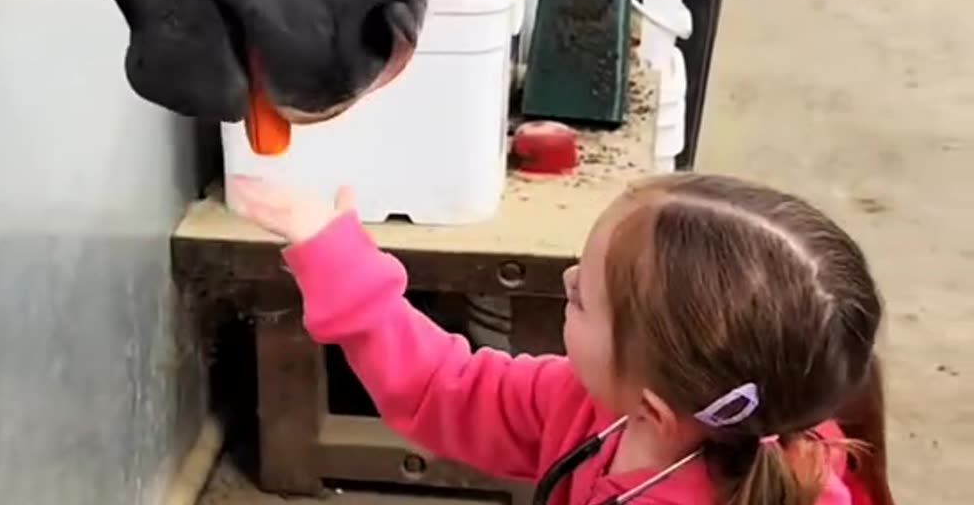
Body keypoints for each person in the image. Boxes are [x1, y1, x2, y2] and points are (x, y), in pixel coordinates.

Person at [227, 172, 894, 505]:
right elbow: (439, 388)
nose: (569, 277)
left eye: (580, 296)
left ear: (655, 405)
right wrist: (335, 259)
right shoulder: (589, 405)